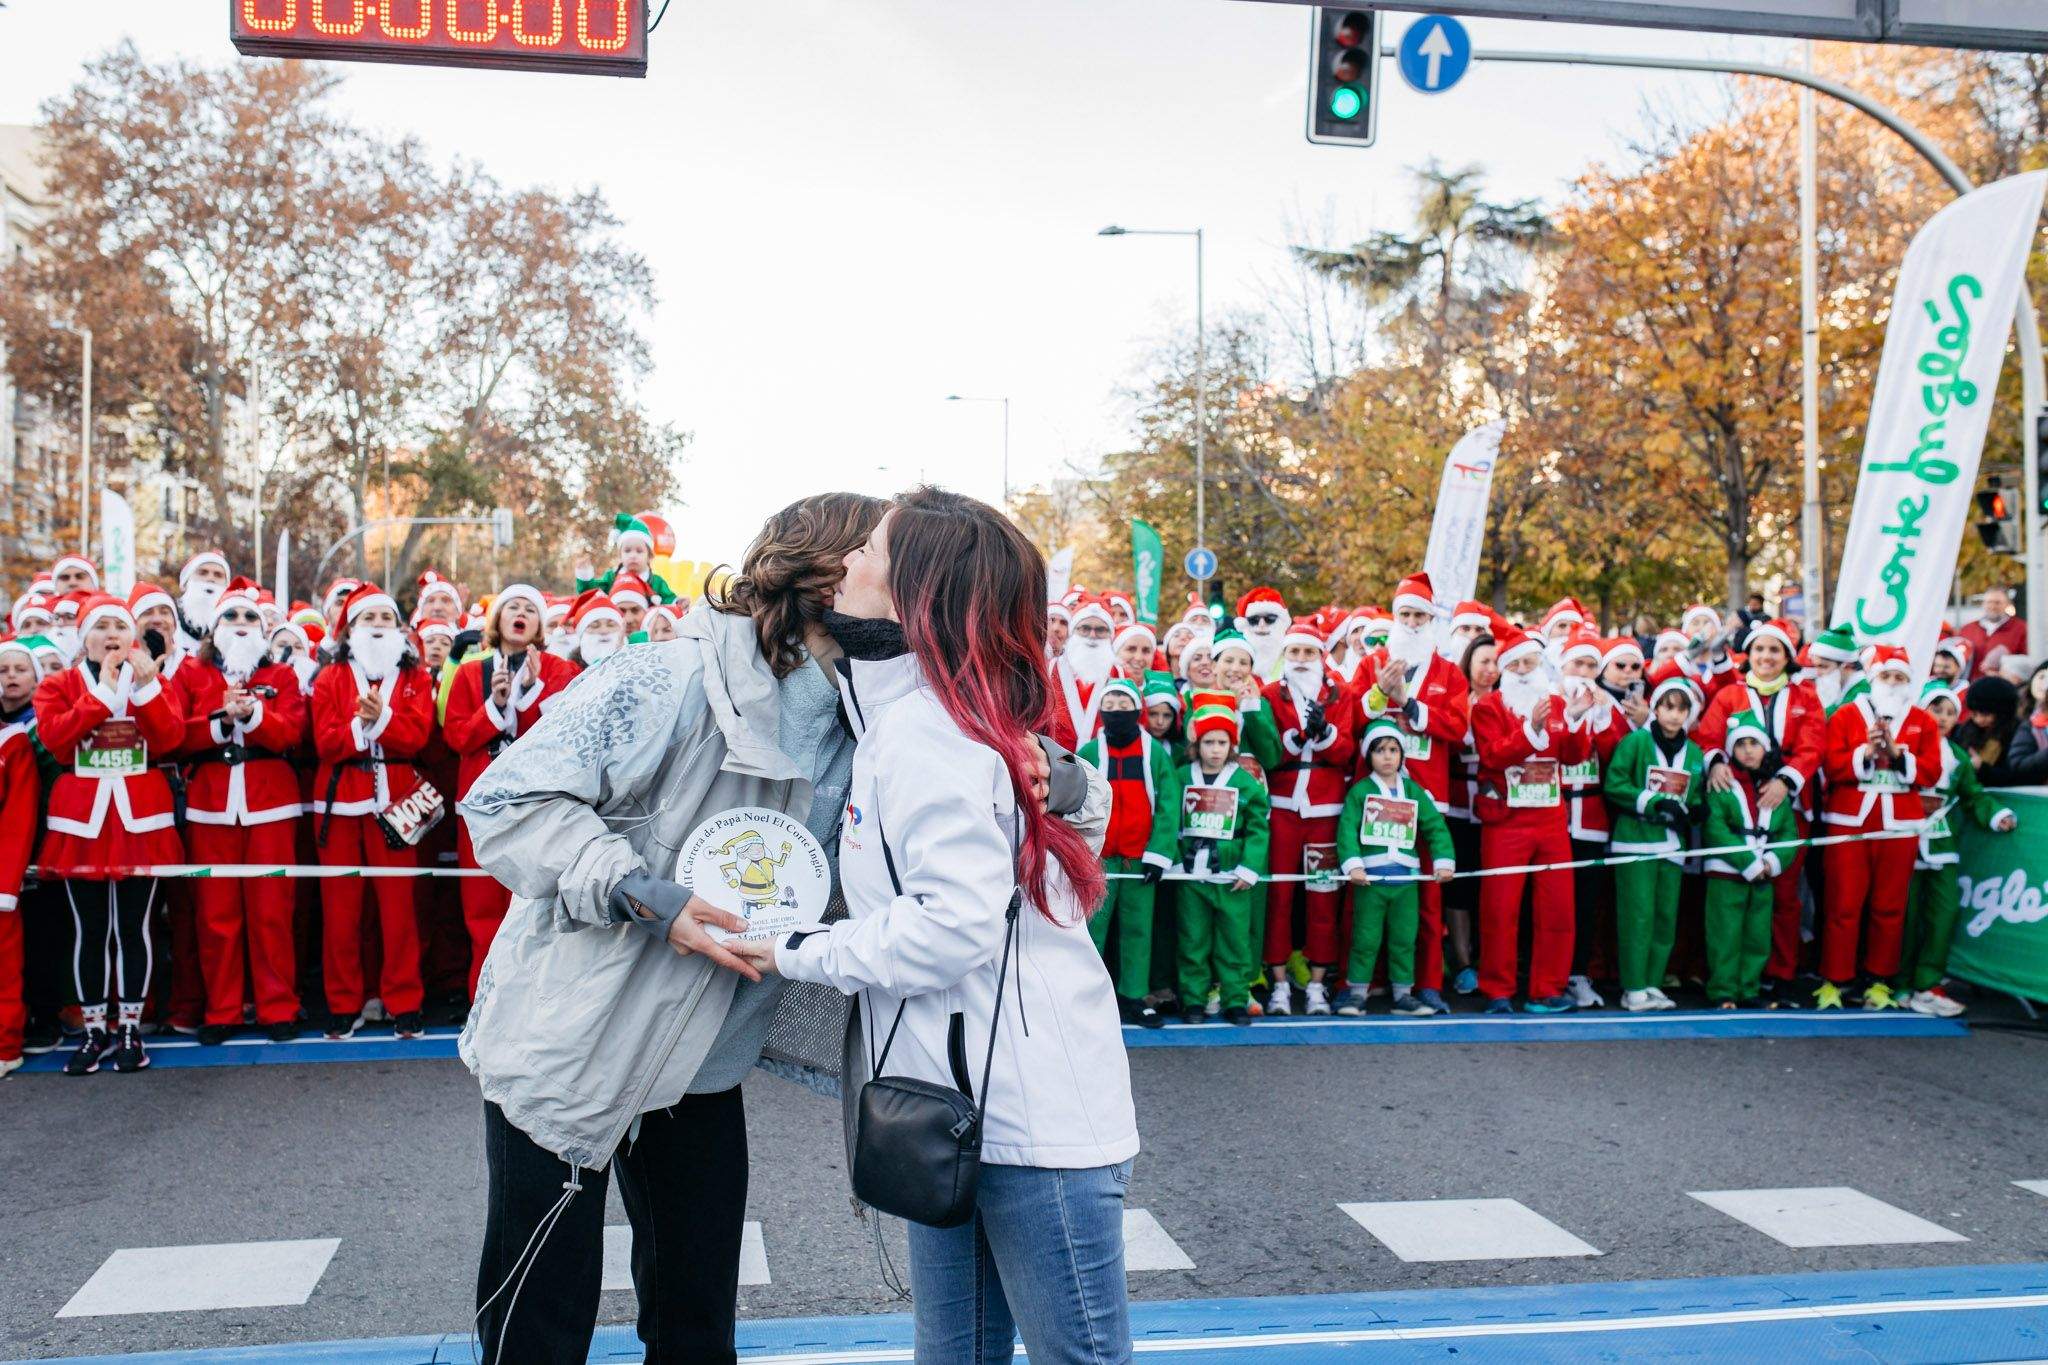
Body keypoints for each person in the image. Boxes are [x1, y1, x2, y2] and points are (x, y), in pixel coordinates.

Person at [459, 491, 1108, 1365]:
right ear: (832, 574)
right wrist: (649, 897)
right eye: (882, 548)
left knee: (697, 1332)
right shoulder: (665, 679)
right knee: (538, 1330)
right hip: (571, 1048)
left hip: (703, 1064)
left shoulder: (877, 710)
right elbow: (505, 800)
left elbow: (1042, 798)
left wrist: (1051, 771)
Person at [735, 487, 1138, 1365]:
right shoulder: (911, 708)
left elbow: (952, 925)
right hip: (951, 1110)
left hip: (1030, 1121)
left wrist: (790, 947)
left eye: (870, 550)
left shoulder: (926, 726)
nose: (847, 564)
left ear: (917, 591)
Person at [35, 594, 185, 1075]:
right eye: (101, 627)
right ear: (85, 639)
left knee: (134, 927)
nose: (112, 636)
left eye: (121, 626)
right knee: (91, 927)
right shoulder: (59, 684)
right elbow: (56, 740)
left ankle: (130, 1029)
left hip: (141, 817)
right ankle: (95, 1029)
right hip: (84, 821)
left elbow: (171, 740)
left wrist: (145, 690)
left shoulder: (153, 681)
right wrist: (100, 694)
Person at [171, 579, 309, 1045]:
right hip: (211, 807)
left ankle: (278, 1007)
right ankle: (223, 1009)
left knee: (272, 911)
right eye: (231, 616)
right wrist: (220, 721)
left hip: (270, 806)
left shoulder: (283, 676)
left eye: (250, 617)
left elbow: (292, 732)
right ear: (214, 626)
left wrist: (252, 717)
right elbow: (173, 735)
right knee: (215, 915)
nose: (242, 624)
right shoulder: (191, 674)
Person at [311, 582, 437, 1040]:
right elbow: (324, 741)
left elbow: (419, 736)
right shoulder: (329, 678)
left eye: (386, 618)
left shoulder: (417, 678)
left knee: (399, 908)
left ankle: (405, 1001)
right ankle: (344, 1002)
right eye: (369, 619)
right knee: (341, 911)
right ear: (350, 629)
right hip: (341, 803)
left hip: (398, 799)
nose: (379, 627)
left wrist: (379, 720)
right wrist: (360, 725)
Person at [442, 585, 579, 998]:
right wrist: (495, 706)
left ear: (539, 624)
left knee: (533, 905)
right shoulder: (470, 673)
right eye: (512, 608)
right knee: (480, 907)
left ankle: (530, 1001)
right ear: (497, 619)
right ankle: (481, 998)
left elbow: (566, 732)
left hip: (537, 805)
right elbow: (456, 736)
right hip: (482, 804)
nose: (520, 614)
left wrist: (534, 692)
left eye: (529, 609)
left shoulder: (559, 670)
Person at [1354, 573, 1470, 1015]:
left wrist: (1413, 707)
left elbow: (1458, 727)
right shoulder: (1375, 662)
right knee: (1374, 895)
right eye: (1405, 614)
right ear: (1394, 616)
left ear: (1432, 618)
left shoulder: (1447, 672)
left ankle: (1427, 983)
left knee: (1427, 901)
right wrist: (1381, 693)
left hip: (1429, 796)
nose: (1413, 622)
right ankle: (1374, 981)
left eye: (1420, 614)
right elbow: (1352, 718)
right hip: (1379, 799)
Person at [1693, 619, 1824, 1007]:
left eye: (1775, 650)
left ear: (1787, 657)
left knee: (1783, 895)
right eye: (1760, 649)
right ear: (1748, 654)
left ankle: (1779, 976)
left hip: (1786, 804)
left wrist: (1786, 780)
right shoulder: (1730, 695)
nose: (1766, 657)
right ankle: (1728, 980)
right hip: (1737, 801)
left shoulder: (1806, 696)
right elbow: (1709, 736)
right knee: (1730, 902)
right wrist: (1715, 762)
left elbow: (1814, 745)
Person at [1470, 622, 1595, 1013]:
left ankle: (1547, 988)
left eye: (1530, 662)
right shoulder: (1488, 707)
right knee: (1500, 908)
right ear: (1504, 670)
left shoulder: (1556, 702)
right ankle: (1498, 990)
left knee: (1557, 906)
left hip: (1550, 818)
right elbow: (1493, 755)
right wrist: (1532, 729)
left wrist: (1574, 720)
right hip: (1507, 820)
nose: (1524, 670)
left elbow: (1573, 757)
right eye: (1516, 664)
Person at [1818, 646, 1941, 1011]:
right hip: (1850, 821)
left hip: (1900, 824)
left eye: (1899, 677)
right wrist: (1866, 754)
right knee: (1843, 902)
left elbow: (1932, 771)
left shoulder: (1923, 720)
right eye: (1885, 676)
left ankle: (1879, 980)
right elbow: (1831, 764)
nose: (1892, 683)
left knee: (1889, 906)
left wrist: (1899, 754)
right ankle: (1835, 980)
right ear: (1873, 680)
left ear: (1909, 682)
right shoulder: (1845, 716)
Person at [1899, 682, 2017, 1016]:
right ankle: (1899, 981)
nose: (1943, 717)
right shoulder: (1903, 749)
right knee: (1905, 917)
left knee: (1943, 914)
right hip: (1904, 845)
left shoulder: (1958, 756)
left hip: (1941, 848)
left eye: (1951, 712)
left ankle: (1928, 984)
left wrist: (1997, 815)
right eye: (1936, 709)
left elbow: (1973, 796)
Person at [1154, 694, 1269, 1026]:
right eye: (1209, 741)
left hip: (1231, 874)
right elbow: (1168, 820)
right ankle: (1193, 999)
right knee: (1193, 940)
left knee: (1234, 941)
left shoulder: (1244, 781)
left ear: (1231, 745)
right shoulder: (1180, 776)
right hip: (1191, 875)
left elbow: (1259, 828)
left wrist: (1250, 867)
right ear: (1197, 743)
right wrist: (1172, 860)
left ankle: (1234, 998)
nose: (1215, 749)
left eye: (1222, 742)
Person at [1261, 620, 1356, 1016]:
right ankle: (1279, 981)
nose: (1300, 660)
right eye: (1294, 652)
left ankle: (1319, 981)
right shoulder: (1270, 693)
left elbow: (1347, 749)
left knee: (1322, 895)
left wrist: (1326, 732)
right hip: (1284, 806)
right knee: (1280, 896)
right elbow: (1267, 748)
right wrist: (1297, 738)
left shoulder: (1341, 693)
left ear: (1320, 656)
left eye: (1308, 653)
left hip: (1324, 808)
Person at [1336, 718, 1455, 1016]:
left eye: (1393, 749)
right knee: (1365, 938)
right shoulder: (1360, 791)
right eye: (1379, 750)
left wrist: (1443, 862)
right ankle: (1357, 994)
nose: (1387, 756)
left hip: (1405, 884)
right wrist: (1353, 865)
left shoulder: (1413, 791)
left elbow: (1435, 828)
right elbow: (1347, 829)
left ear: (1402, 754)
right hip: (1371, 882)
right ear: (1369, 756)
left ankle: (1404, 995)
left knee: (1404, 939)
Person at [1602, 668, 1704, 1011]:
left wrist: (1696, 810)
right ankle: (1633, 987)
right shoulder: (1635, 742)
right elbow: (1615, 784)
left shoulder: (1695, 752)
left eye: (1681, 708)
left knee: (1664, 917)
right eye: (1668, 707)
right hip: (1635, 842)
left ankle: (1652, 983)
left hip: (1672, 846)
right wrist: (1652, 801)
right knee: (1638, 916)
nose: (1674, 714)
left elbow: (1697, 794)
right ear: (1655, 709)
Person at [1078, 676, 1175, 1027]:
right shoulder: (1089, 752)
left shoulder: (1155, 754)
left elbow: (1168, 805)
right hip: (1100, 859)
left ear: (1138, 710)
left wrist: (1160, 853)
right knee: (1093, 927)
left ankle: (1133, 995)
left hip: (1139, 860)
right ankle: (1087, 996)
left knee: (1138, 929)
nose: (1117, 712)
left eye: (1124, 706)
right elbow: (1077, 802)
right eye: (1110, 706)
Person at [1700, 711, 1797, 1009]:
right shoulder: (1722, 783)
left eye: (1754, 743)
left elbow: (1788, 834)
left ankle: (1749, 988)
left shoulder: (1774, 787)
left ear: (1765, 748)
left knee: (1757, 934)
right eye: (1740, 744)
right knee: (1724, 934)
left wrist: (1771, 862)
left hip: (1764, 875)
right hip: (1727, 874)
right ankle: (1723, 991)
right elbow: (1714, 828)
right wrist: (1748, 862)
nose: (1747, 750)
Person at [1444, 632, 1497, 995]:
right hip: (1461, 802)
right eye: (1484, 662)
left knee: (1492, 886)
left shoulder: (1513, 700)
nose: (1491, 670)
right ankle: (1462, 962)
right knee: (1460, 884)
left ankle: (1490, 960)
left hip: (1500, 806)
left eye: (1496, 663)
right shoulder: (1457, 701)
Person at [0, 663, 40, 1079]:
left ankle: (5, 1045)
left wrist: (6, 882)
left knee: (4, 968)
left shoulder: (12, 740)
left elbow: (18, 818)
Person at [1959, 585, 2027, 679]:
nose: (1992, 606)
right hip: (1971, 688)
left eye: (1997, 603)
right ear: (1983, 604)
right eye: (1989, 602)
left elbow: (2026, 662)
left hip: (2004, 688)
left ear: (2007, 604)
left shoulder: (2021, 629)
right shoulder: (1967, 629)